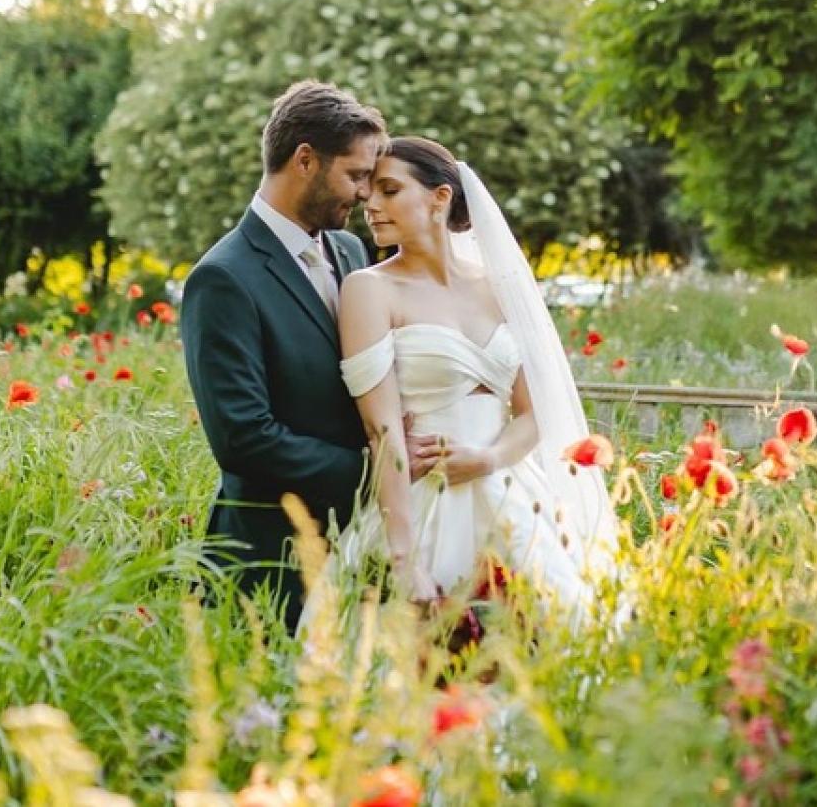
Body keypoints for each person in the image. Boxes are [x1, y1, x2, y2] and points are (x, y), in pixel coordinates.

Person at [180, 81, 440, 629]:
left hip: (363, 543)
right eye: (356, 175)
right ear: (305, 160)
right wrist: (375, 470)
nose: (366, 195)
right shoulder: (224, 278)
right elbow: (243, 438)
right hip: (273, 561)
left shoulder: (349, 250)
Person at [335, 137, 622, 623]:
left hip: (512, 492)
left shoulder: (500, 286)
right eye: (369, 193)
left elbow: (533, 412)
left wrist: (488, 458)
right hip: (424, 497)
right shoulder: (369, 288)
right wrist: (404, 558)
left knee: (551, 629)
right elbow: (380, 430)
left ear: (440, 198)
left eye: (389, 190)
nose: (372, 205)